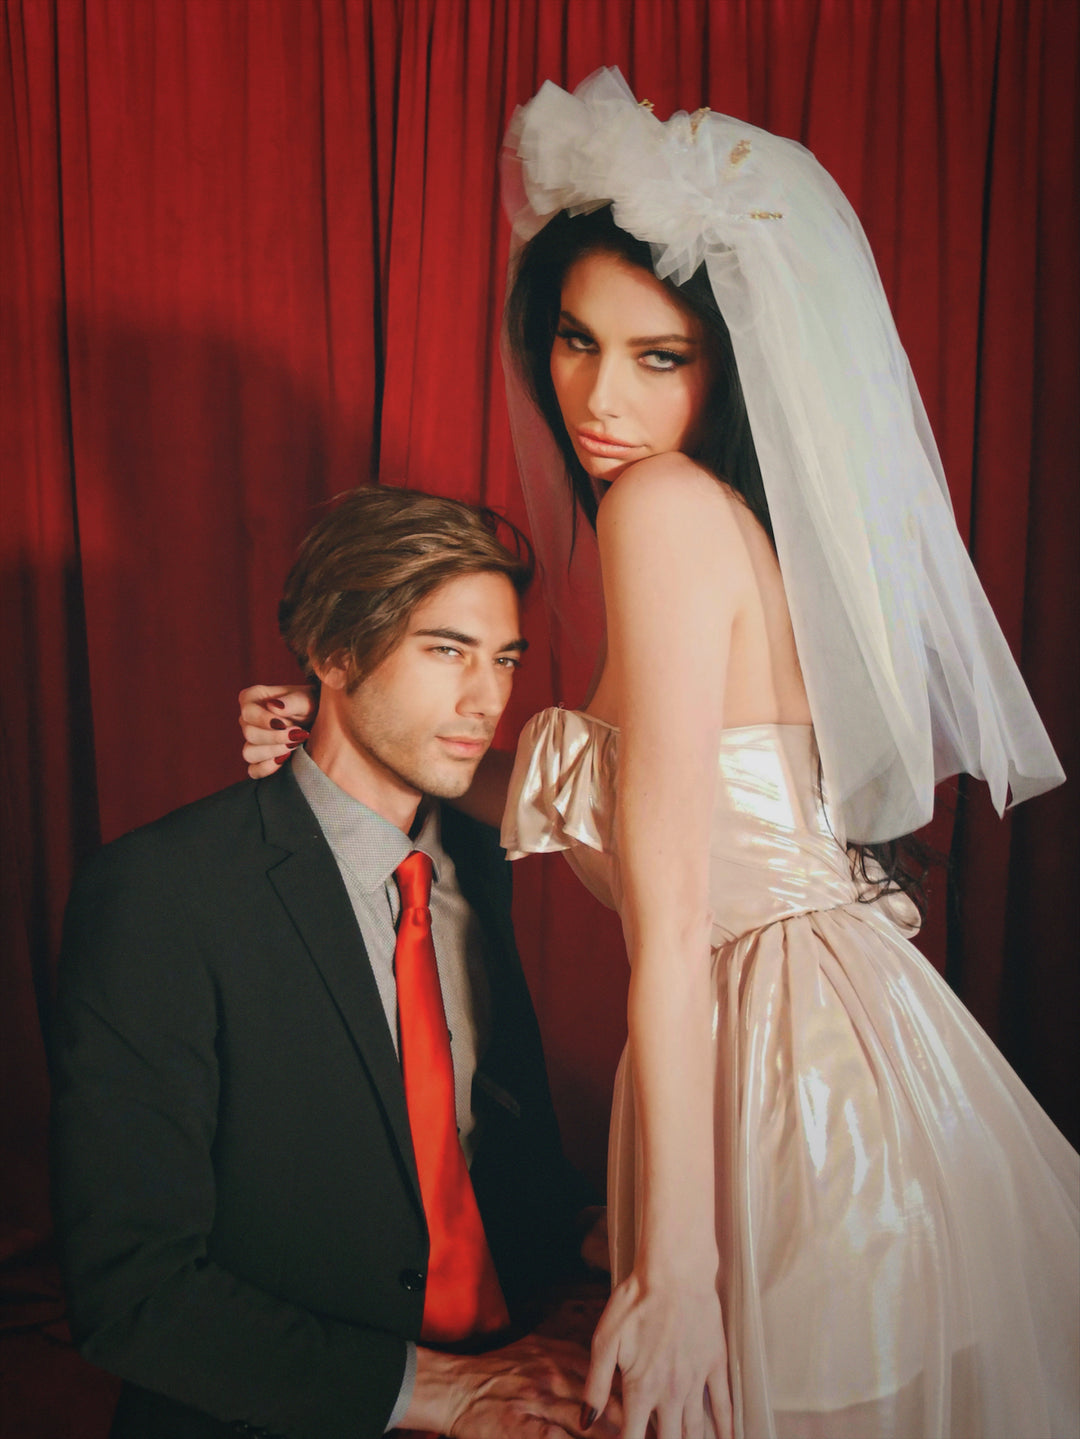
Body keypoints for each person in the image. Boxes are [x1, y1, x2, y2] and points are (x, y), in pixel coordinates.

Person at [240, 70, 1079, 1439]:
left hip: (778, 1057)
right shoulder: (728, 523)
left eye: (658, 355)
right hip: (804, 1031)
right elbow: (624, 813)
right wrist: (342, 729)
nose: (598, 395)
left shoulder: (666, 511)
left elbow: (679, 906)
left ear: (730, 365)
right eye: (576, 340)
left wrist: (677, 1261)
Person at [50, 486, 620, 1439]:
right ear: (337, 653)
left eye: (504, 659)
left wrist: (622, 1237)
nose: (487, 699)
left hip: (516, 1368)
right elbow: (130, 1290)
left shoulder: (474, 859)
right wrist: (430, 1392)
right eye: (447, 650)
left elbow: (473, 1150)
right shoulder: (161, 892)